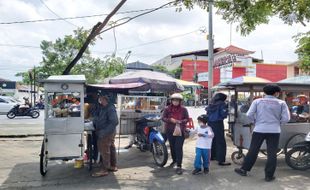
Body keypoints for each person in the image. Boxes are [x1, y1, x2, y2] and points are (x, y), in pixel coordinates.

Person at [234, 84, 290, 182]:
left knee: (253, 150)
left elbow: (249, 115)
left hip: (259, 129)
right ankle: (269, 176)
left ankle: (244, 170)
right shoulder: (281, 103)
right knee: (272, 153)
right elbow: (286, 118)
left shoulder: (257, 101)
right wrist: (278, 123)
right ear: (276, 93)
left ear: (264, 92)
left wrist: (255, 121)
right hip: (274, 130)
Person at [92, 95, 119, 177]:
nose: (99, 100)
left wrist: (104, 132)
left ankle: (104, 169)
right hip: (107, 132)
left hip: (107, 132)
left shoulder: (110, 108)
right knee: (110, 148)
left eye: (101, 99)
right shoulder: (103, 107)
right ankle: (112, 166)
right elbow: (97, 116)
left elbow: (114, 122)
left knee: (104, 150)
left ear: (105, 99)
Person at [162, 93, 189, 175]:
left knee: (178, 147)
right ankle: (174, 160)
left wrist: (180, 121)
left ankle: (179, 165)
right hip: (170, 131)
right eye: (174, 100)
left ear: (180, 101)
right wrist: (170, 120)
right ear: (171, 101)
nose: (175, 102)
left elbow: (187, 119)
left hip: (180, 131)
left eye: (177, 100)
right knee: (172, 147)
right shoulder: (167, 109)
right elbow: (163, 118)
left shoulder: (184, 109)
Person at [206, 93, 231, 166]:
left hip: (210, 123)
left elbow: (207, 113)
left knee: (212, 140)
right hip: (218, 123)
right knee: (220, 142)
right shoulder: (222, 104)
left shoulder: (211, 104)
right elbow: (223, 114)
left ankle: (212, 156)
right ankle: (221, 160)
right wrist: (227, 110)